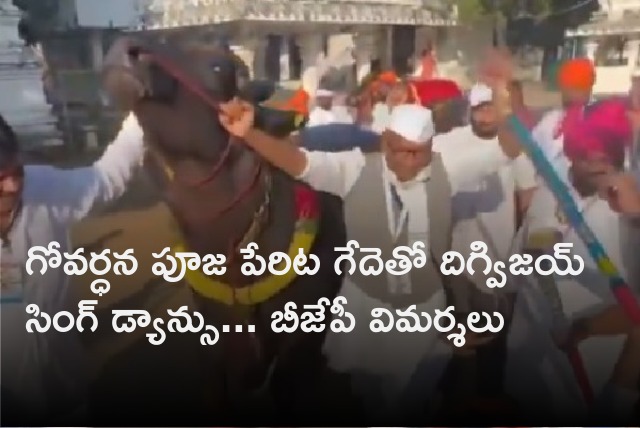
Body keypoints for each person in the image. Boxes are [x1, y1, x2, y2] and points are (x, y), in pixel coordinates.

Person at [216, 62, 527, 418]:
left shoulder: (447, 170)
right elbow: (298, 162)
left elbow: (509, 147)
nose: (408, 162)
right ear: (384, 142)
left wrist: (509, 94)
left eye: (417, 152)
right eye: (398, 151)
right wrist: (249, 133)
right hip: (362, 311)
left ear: (429, 146)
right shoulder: (353, 169)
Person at [0, 111, 145, 424]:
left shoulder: (46, 189)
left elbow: (106, 179)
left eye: (16, 170)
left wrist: (140, 113)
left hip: (66, 395)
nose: (12, 185)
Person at [514, 98, 640, 422]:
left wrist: (585, 327)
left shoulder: (629, 203)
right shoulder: (551, 189)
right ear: (571, 155)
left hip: (593, 361)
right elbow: (525, 253)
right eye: (587, 157)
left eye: (607, 157)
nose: (597, 164)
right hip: (532, 344)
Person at [531, 57, 596, 184]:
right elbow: (531, 153)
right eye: (565, 87)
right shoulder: (550, 120)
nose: (566, 92)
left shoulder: (601, 119)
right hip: (547, 193)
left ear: (588, 88)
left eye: (575, 86)